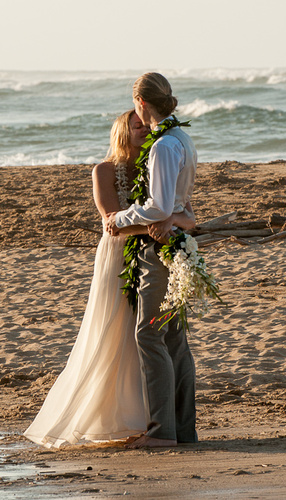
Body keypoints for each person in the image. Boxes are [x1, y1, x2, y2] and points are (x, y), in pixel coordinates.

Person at [23, 109, 195, 448]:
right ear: (122, 131)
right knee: (117, 333)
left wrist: (168, 219)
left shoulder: (156, 164)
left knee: (156, 338)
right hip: (119, 257)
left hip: (157, 253)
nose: (145, 129)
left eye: (146, 124)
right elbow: (111, 222)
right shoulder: (103, 170)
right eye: (137, 126)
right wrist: (162, 220)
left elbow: (189, 217)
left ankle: (160, 423)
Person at [107, 72, 199, 448]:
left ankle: (163, 432)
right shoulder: (183, 138)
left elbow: (158, 206)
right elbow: (179, 205)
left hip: (159, 250)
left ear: (141, 102)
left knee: (149, 333)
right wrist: (175, 218)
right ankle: (183, 429)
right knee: (175, 338)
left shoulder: (162, 145)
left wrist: (120, 218)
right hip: (178, 243)